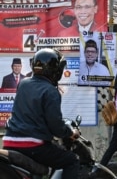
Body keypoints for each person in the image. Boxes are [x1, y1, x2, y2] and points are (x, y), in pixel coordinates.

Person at [2, 48, 81, 179]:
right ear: (56, 69)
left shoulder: (23, 83)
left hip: (9, 142)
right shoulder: (51, 91)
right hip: (33, 145)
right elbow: (55, 126)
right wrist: (70, 133)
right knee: (72, 160)